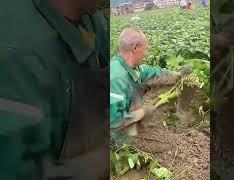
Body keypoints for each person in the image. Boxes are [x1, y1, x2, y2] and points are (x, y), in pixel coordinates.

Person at [0, 0, 108, 179]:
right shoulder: (16, 56)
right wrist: (99, 161)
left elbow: (107, 45)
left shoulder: (83, 15)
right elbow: (16, 169)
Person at [110, 27, 192, 145]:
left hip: (126, 120)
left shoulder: (131, 66)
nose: (146, 52)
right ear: (136, 47)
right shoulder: (116, 78)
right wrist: (142, 113)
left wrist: (176, 75)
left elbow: (150, 73)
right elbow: (114, 121)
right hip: (115, 134)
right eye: (146, 48)